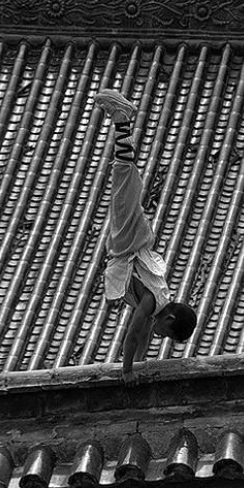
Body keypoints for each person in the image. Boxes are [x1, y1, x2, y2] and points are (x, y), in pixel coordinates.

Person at [94, 89, 197, 387]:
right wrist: (127, 371)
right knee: (124, 179)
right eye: (167, 335)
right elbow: (134, 332)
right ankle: (122, 118)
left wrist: (139, 363)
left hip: (129, 244)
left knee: (124, 183)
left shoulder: (157, 303)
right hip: (128, 243)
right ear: (170, 320)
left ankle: (122, 119)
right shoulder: (152, 301)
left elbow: (141, 337)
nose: (161, 338)